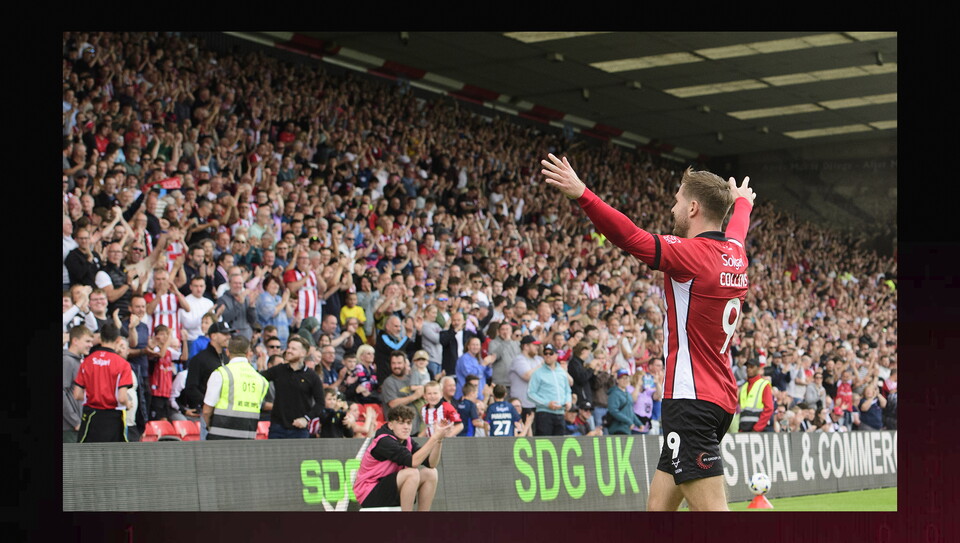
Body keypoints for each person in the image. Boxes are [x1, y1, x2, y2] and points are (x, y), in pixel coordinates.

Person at [541, 153, 756, 511]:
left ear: (692, 208)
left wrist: (583, 194)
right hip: (718, 397)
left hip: (691, 399)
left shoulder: (691, 254)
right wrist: (744, 204)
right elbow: (738, 228)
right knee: (658, 511)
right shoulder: (735, 253)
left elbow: (630, 237)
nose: (672, 208)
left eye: (676, 200)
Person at [353, 405, 455, 511]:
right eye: (401, 423)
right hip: (369, 494)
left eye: (408, 423)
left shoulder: (407, 440)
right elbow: (413, 462)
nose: (406, 427)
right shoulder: (384, 441)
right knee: (412, 473)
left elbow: (432, 463)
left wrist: (439, 440)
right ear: (391, 425)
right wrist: (434, 437)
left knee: (431, 473)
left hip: (390, 489)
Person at [72, 323, 134, 442]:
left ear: (100, 338)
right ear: (118, 339)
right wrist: (128, 404)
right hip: (113, 419)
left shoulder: (87, 361)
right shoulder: (123, 364)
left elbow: (77, 394)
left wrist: (94, 394)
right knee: (112, 458)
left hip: (91, 417)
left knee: (89, 458)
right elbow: (121, 397)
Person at [202, 334, 269, 439]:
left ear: (227, 352)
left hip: (220, 436)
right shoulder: (261, 380)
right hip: (247, 437)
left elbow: (207, 411)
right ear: (248, 353)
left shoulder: (221, 374)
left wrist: (209, 426)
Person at [259, 335, 325, 439]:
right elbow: (259, 379)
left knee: (298, 456)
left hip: (299, 430)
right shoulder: (279, 370)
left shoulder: (312, 376)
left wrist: (306, 419)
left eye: (293, 349)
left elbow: (320, 403)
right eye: (288, 347)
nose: (289, 351)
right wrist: (259, 368)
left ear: (303, 353)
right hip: (277, 428)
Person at [180, 320, 234, 439]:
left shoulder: (228, 359)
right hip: (209, 414)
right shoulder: (199, 359)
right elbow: (191, 387)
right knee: (209, 452)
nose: (228, 337)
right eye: (225, 334)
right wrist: (207, 404)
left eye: (229, 334)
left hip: (227, 413)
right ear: (213, 336)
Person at [525, 343, 571, 436]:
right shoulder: (538, 373)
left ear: (556, 355)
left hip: (560, 413)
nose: (548, 355)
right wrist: (546, 403)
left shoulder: (562, 372)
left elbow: (567, 390)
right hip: (544, 414)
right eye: (545, 353)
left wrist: (568, 401)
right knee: (544, 445)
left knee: (560, 446)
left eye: (551, 353)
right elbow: (530, 394)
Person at [63, 325, 94, 442]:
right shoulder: (67, 361)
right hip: (68, 427)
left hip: (75, 425)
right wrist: (75, 421)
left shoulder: (78, 361)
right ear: (75, 341)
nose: (91, 345)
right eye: (87, 341)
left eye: (91, 341)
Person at [509, 335, 542, 421]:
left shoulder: (538, 359)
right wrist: (541, 366)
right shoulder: (519, 360)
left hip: (536, 404)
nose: (537, 347)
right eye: (534, 345)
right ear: (526, 346)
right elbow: (527, 376)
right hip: (522, 404)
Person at [738, 359, 774, 432]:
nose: (748, 369)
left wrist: (757, 428)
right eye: (747, 367)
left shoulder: (764, 385)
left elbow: (769, 408)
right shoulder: (744, 387)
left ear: (758, 369)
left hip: (758, 430)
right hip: (744, 429)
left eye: (751, 367)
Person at [454, 336, 494, 402]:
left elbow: (488, 375)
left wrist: (488, 366)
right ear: (468, 346)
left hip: (479, 396)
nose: (475, 347)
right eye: (473, 345)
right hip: (466, 396)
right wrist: (483, 364)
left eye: (477, 345)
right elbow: (470, 376)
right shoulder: (464, 358)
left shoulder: (479, 359)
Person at [607, 369, 644, 435]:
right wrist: (629, 421)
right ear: (617, 380)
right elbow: (613, 411)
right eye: (622, 378)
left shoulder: (628, 394)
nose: (625, 380)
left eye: (627, 378)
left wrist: (639, 423)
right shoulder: (614, 394)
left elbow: (631, 412)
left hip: (627, 429)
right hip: (617, 429)